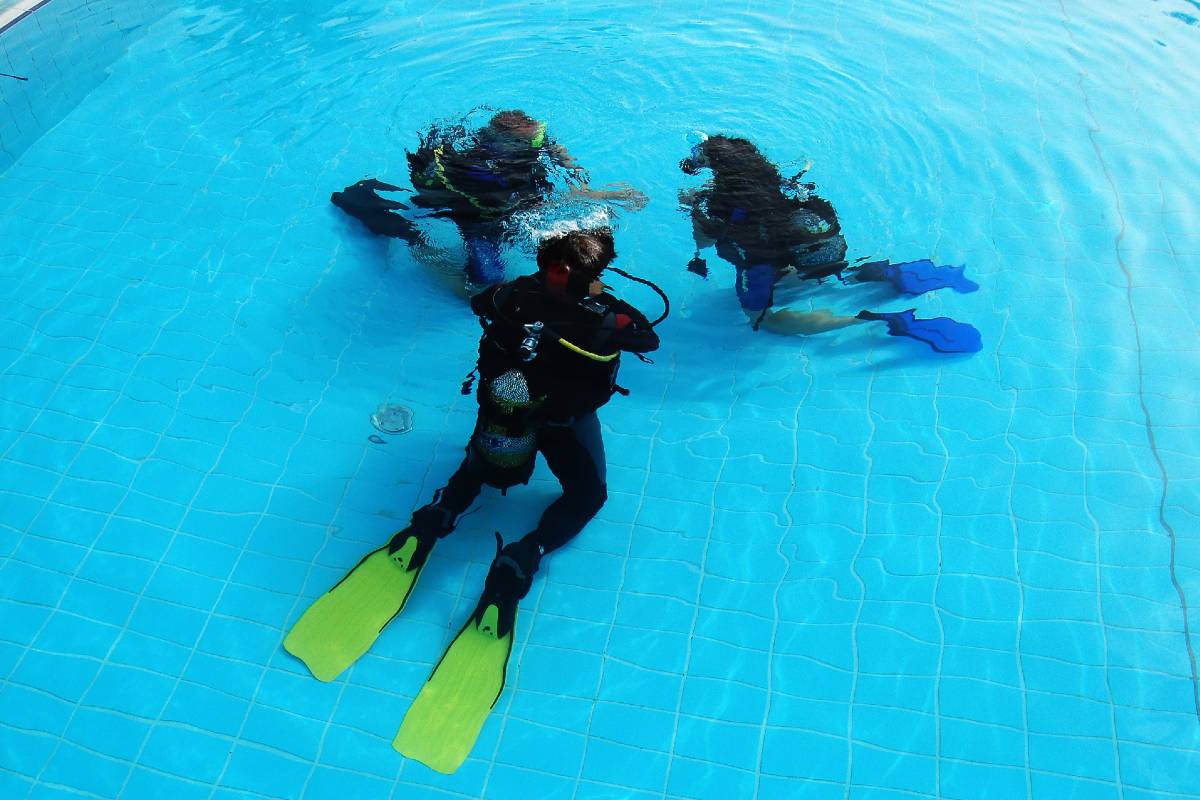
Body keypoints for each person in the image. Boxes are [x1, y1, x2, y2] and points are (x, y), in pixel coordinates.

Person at [285, 228, 663, 772]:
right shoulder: (607, 316)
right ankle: (522, 557)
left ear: (548, 264)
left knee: (477, 469)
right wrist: (599, 301)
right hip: (560, 425)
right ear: (581, 272)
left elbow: (480, 301)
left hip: (503, 418)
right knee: (587, 495)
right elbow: (647, 340)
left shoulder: (513, 295)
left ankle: (436, 518)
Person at [678, 134, 982, 352]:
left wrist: (691, 207)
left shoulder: (714, 203)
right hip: (802, 248)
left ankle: (867, 319)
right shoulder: (777, 182)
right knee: (809, 272)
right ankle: (891, 275)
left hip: (762, 263)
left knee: (762, 320)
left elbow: (703, 243)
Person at [332, 109, 648, 289]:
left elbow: (550, 144)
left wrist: (567, 162)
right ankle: (414, 240)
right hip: (478, 217)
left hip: (502, 206)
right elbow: (533, 205)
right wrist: (606, 194)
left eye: (540, 136)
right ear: (502, 146)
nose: (543, 143)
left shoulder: (525, 146)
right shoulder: (485, 172)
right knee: (484, 284)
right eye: (535, 140)